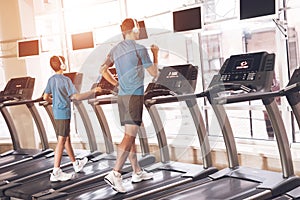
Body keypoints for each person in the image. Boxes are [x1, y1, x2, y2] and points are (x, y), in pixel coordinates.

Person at [100, 18, 159, 193]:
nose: (140, 31)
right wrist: (155, 53)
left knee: (129, 134)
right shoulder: (140, 49)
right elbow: (154, 73)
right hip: (134, 96)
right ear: (134, 29)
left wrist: (116, 85)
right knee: (129, 136)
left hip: (122, 96)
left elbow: (102, 69)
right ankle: (115, 173)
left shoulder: (115, 49)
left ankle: (137, 172)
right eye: (138, 29)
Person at [43, 55, 102, 182]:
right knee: (61, 140)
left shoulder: (51, 80)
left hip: (57, 112)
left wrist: (54, 101)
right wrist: (93, 91)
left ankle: (76, 164)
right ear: (62, 65)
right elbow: (76, 97)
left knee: (66, 138)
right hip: (64, 112)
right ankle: (56, 171)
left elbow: (45, 97)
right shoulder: (65, 80)